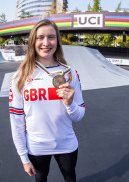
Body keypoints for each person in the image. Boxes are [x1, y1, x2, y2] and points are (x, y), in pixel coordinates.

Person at [9, 19, 85, 182]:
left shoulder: (70, 73)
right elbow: (16, 121)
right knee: (41, 178)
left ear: (57, 40)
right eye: (40, 37)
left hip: (66, 143)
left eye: (51, 37)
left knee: (70, 177)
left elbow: (78, 116)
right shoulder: (20, 77)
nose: (46, 42)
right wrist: (23, 157)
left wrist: (70, 103)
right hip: (37, 146)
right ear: (32, 42)